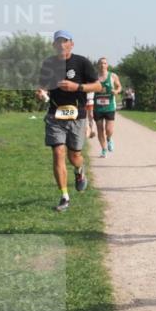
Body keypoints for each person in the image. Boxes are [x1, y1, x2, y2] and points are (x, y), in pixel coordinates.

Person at [35, 30, 102, 212]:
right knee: (58, 153)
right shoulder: (48, 64)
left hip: (76, 116)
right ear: (54, 45)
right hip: (55, 115)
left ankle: (79, 171)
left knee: (75, 157)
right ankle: (64, 196)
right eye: (58, 42)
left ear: (72, 44)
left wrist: (77, 87)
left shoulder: (81, 63)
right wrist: (41, 93)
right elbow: (42, 85)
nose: (62, 45)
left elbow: (98, 85)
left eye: (65, 42)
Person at [93, 57, 122, 158]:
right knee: (100, 130)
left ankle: (109, 139)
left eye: (104, 63)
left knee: (108, 129)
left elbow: (119, 86)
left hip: (109, 106)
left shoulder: (113, 76)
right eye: (100, 63)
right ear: (98, 65)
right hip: (97, 107)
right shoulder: (94, 77)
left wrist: (117, 91)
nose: (102, 65)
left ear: (107, 65)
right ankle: (104, 149)